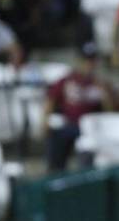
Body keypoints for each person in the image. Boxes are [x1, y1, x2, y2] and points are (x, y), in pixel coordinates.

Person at [43, 43, 113, 172]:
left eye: (92, 60)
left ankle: (86, 175)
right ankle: (55, 173)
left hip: (91, 127)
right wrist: (45, 120)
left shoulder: (100, 83)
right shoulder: (67, 80)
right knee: (57, 136)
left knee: (87, 144)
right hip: (70, 124)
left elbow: (110, 111)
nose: (89, 64)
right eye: (86, 60)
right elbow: (51, 99)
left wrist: (104, 94)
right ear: (79, 61)